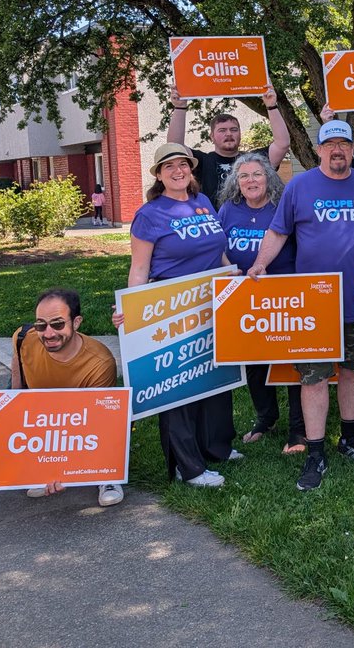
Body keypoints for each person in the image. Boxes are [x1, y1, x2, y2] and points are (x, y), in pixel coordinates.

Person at [248, 120, 354, 491]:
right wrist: (261, 262)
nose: (337, 150)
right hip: (314, 303)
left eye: (344, 143)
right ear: (320, 149)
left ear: (353, 148)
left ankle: (350, 437)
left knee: (353, 371)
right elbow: (278, 231)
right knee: (312, 376)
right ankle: (314, 450)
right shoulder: (300, 185)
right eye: (331, 145)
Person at [126, 143, 236, 487]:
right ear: (159, 175)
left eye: (183, 165)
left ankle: (215, 447)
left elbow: (217, 253)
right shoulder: (150, 214)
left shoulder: (202, 204)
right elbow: (140, 268)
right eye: (169, 166)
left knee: (212, 377)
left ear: (191, 169)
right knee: (177, 386)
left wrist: (234, 278)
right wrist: (132, 309)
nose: (178, 171)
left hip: (210, 303)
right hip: (172, 307)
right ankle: (187, 467)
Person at [216, 152, 307, 454]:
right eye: (244, 176)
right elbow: (216, 245)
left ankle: (298, 429)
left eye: (256, 174)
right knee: (254, 362)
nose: (250, 181)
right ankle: (266, 418)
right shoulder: (229, 209)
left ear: (268, 178)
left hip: (283, 295)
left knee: (292, 361)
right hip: (244, 295)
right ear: (236, 182)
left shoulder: (282, 208)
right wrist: (230, 269)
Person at [13, 288, 123, 507]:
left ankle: (108, 476)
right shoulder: (23, 338)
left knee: (114, 418)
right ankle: (39, 468)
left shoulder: (100, 362)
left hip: (82, 425)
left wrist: (63, 463)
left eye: (57, 324)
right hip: (39, 420)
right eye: (41, 325)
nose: (49, 333)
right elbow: (17, 392)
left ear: (77, 322)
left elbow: (101, 422)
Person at [168, 83, 291, 208]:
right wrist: (179, 108)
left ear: (240, 133)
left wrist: (271, 106)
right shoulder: (203, 161)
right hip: (215, 225)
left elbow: (282, 144)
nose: (228, 134)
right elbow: (174, 147)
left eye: (233, 129)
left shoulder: (254, 160)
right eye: (222, 130)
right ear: (212, 137)